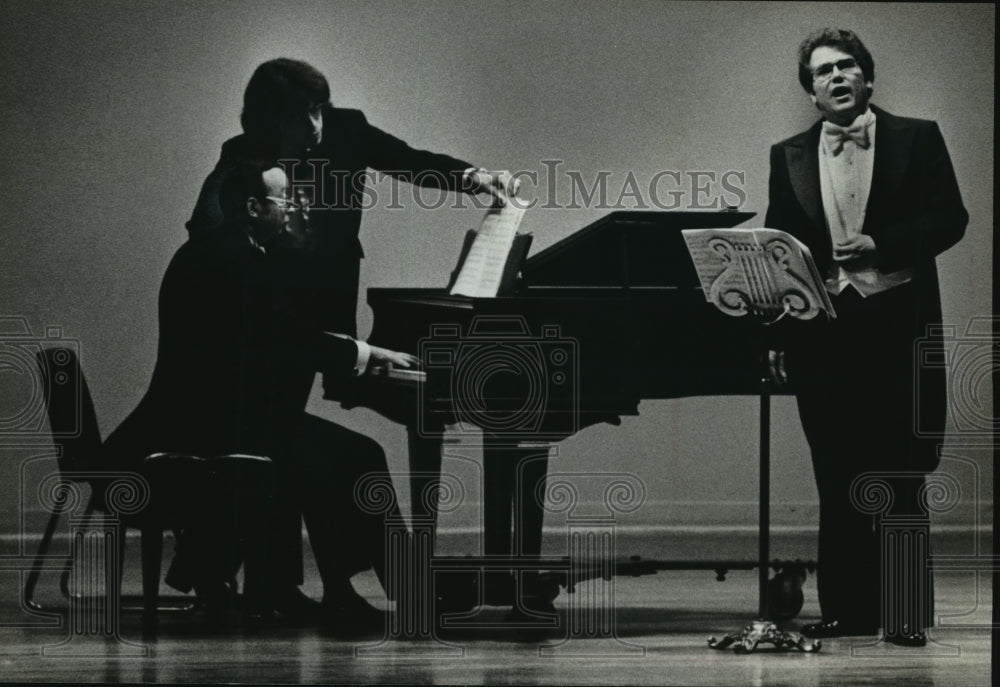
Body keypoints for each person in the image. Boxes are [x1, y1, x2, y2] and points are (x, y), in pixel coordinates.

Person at [183, 58, 518, 609]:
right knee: (275, 437)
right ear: (268, 120)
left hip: (318, 310)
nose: (316, 126)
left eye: (320, 109)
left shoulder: (347, 128)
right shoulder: (243, 156)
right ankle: (276, 584)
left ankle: (307, 585)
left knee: (284, 438)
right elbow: (208, 230)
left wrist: (472, 178)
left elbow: (409, 162)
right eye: (301, 115)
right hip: (267, 312)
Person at [104, 160, 418, 633]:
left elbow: (272, 339)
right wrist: (370, 353)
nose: (292, 207)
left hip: (208, 421)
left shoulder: (223, 252)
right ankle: (398, 593)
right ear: (252, 207)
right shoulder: (234, 260)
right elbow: (289, 337)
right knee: (353, 454)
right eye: (285, 199)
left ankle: (309, 590)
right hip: (193, 436)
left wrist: (355, 352)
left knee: (317, 452)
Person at [765, 28, 967, 646]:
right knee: (836, 474)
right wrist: (776, 327)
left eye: (847, 67)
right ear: (812, 91)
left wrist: (884, 244)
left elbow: (950, 218)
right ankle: (848, 611)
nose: (837, 77)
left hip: (896, 327)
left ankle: (904, 612)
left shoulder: (918, 136)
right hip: (822, 334)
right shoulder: (789, 153)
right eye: (824, 71)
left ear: (867, 79)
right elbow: (779, 245)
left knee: (900, 475)